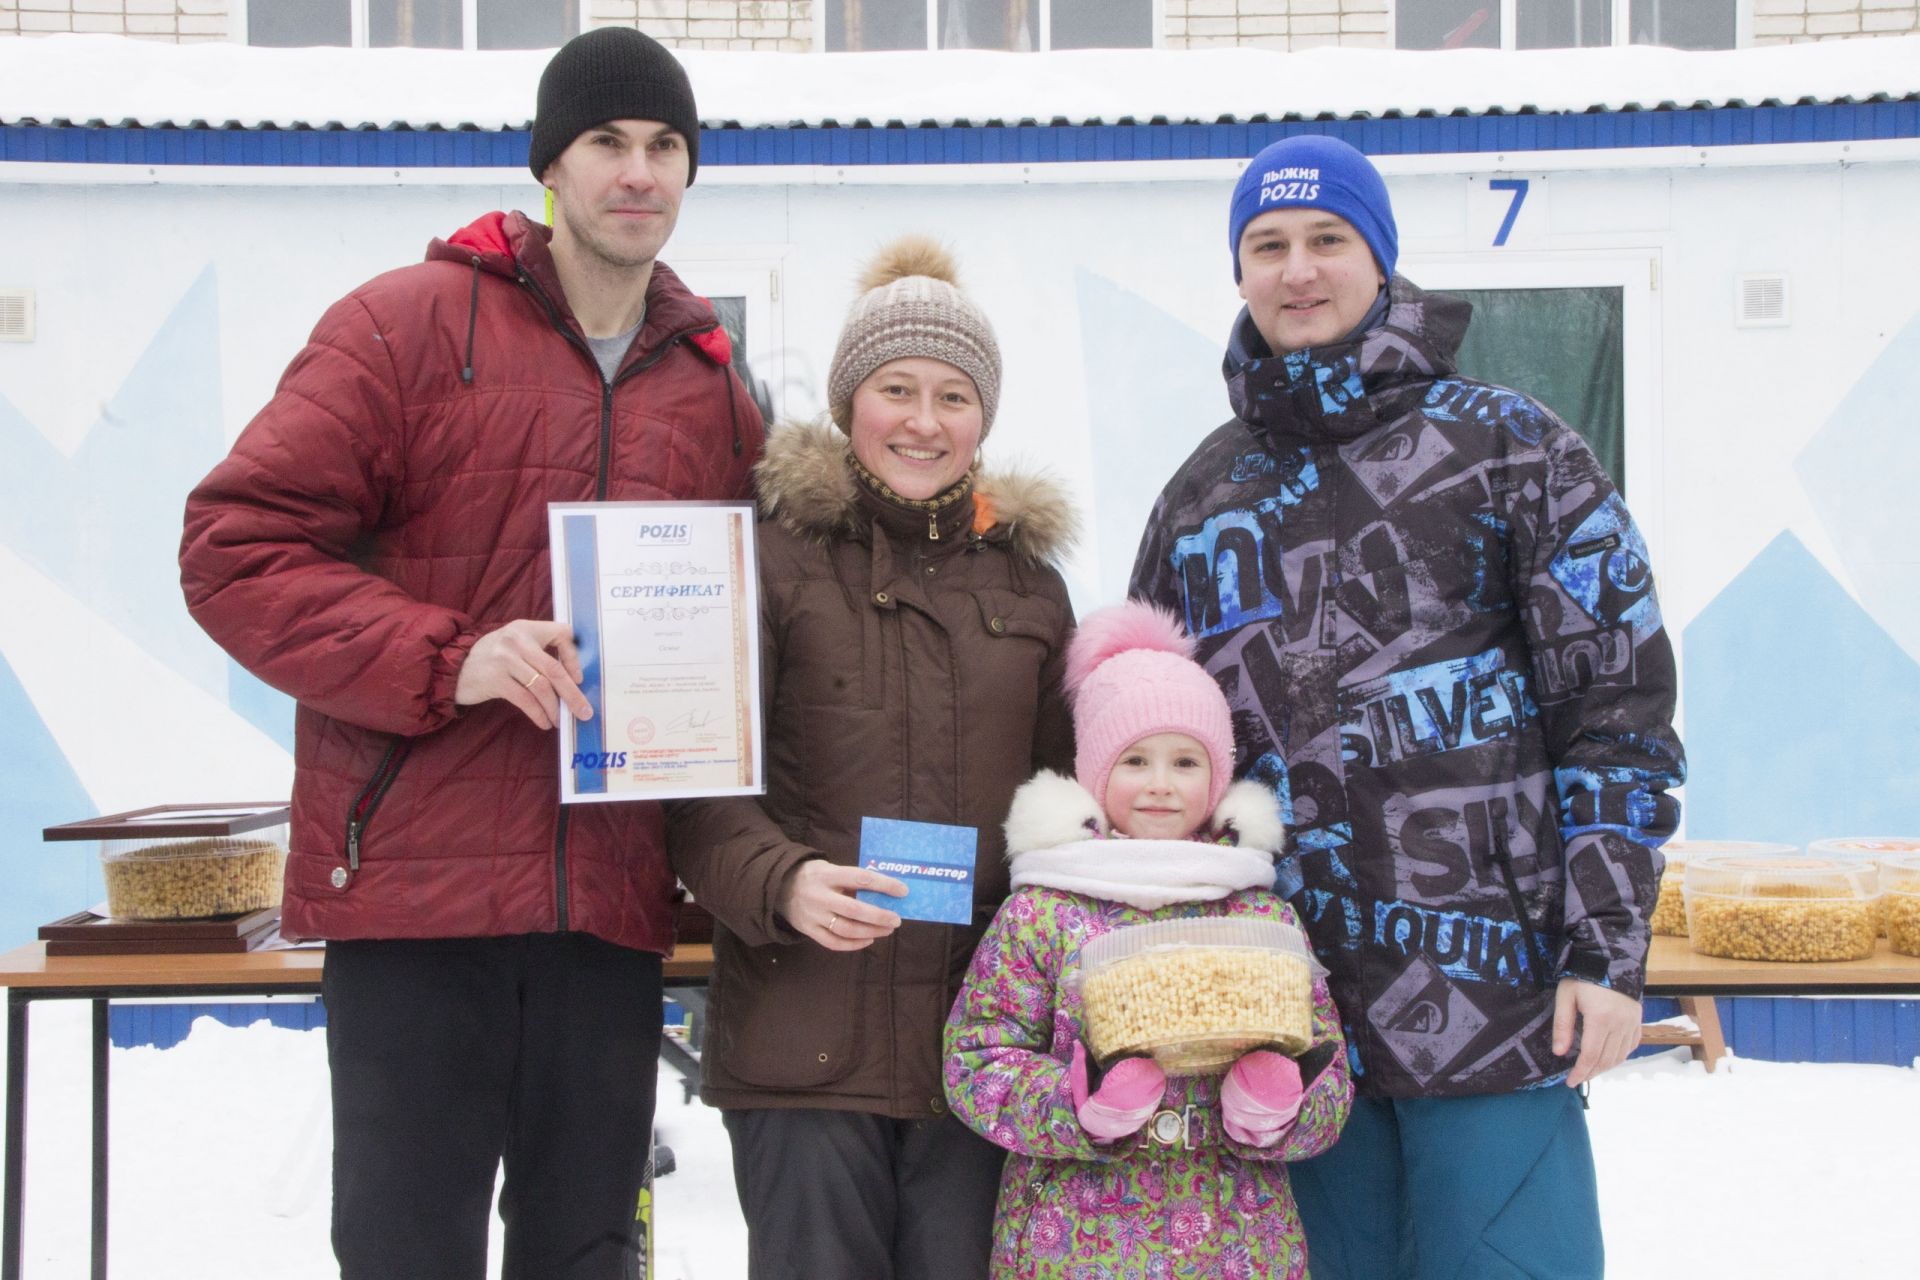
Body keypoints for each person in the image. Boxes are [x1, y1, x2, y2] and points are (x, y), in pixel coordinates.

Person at [177, 28, 763, 1280]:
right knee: (405, 1252)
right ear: (551, 162)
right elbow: (233, 548)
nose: (638, 172)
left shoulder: (708, 381)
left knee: (588, 1247)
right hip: (414, 896)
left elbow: (759, 617)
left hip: (603, 906)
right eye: (607, 142)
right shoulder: (404, 324)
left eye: (666, 146)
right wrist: (452, 656)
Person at [1128, 134, 1686, 1279]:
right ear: (1238, 272)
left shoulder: (1514, 448)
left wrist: (1609, 947)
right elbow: (1143, 745)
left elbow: (1618, 710)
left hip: (1498, 1002)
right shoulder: (1202, 494)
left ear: (1381, 259)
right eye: (1267, 245)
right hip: (1282, 1021)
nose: (1298, 270)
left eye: (1328, 239)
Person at [666, 236, 1079, 1279]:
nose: (924, 421)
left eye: (954, 395)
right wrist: (786, 879)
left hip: (978, 1051)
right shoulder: (768, 557)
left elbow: (1064, 810)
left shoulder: (1031, 589)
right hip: (804, 1041)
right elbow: (696, 791)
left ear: (984, 416)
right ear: (852, 400)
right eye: (897, 388)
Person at [943, 601, 1352, 1279]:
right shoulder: (1043, 909)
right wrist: (1076, 1105)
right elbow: (976, 1061)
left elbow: (1328, 1072)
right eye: (1136, 759)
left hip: (1238, 1240)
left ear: (1216, 775)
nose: (1161, 785)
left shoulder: (1260, 913)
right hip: (1072, 1240)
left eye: (1185, 762)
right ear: (1097, 771)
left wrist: (1280, 1108)